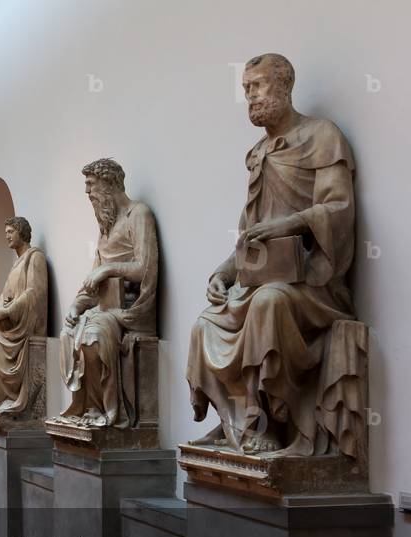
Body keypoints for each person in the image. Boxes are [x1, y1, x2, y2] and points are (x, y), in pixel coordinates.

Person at [187, 53, 361, 457]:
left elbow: (337, 211)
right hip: (265, 278)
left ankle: (268, 425)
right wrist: (225, 271)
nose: (251, 97)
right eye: (246, 89)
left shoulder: (321, 137)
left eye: (259, 86)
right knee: (205, 324)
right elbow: (251, 234)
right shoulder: (258, 154)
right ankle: (235, 421)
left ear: (285, 86)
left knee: (269, 303)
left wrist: (288, 225)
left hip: (313, 284)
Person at [59, 159, 159, 427]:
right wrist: (76, 306)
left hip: (130, 309)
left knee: (93, 335)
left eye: (91, 185)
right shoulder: (105, 229)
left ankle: (108, 410)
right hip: (106, 308)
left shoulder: (138, 215)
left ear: (110, 183)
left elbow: (144, 268)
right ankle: (88, 407)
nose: (87, 193)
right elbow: (91, 285)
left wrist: (109, 270)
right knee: (68, 333)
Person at [0, 216, 47, 413]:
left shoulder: (34, 257)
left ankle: (7, 399)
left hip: (24, 327)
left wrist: (7, 311)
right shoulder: (16, 264)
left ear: (21, 232)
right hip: (11, 325)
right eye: (5, 232)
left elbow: (34, 292)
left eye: (10, 232)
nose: (6, 236)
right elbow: (4, 295)